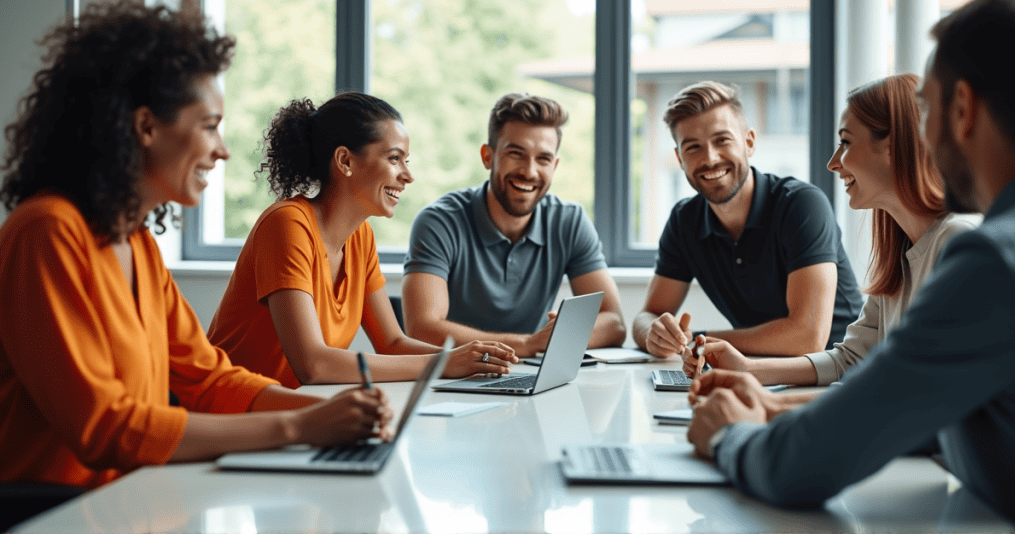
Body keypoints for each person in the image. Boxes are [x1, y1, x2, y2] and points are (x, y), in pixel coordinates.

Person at [0, 0, 391, 491]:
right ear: (146, 127)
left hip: (133, 499)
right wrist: (299, 426)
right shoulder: (47, 231)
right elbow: (104, 428)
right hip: (54, 511)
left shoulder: (136, 240)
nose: (223, 150)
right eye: (209, 126)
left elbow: (208, 379)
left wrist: (331, 411)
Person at [687, 0, 1015, 528]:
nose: (926, 136)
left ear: (962, 109)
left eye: (928, 112)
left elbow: (802, 469)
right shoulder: (954, 249)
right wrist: (767, 400)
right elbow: (903, 404)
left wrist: (729, 434)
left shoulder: (989, 259)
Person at [682, 74, 980, 395]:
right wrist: (748, 369)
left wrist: (773, 411)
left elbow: (925, 393)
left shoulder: (957, 244)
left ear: (894, 147)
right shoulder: (901, 252)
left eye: (846, 142)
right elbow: (851, 359)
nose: (833, 163)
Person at [208, 92, 517, 387]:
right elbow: (313, 365)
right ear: (345, 161)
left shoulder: (360, 237)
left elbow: (392, 343)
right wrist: (443, 364)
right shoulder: (287, 224)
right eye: (395, 158)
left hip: (292, 413)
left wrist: (472, 358)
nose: (408, 175)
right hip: (227, 416)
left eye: (407, 160)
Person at [632, 81, 863, 360]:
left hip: (839, 373)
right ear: (679, 159)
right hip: (757, 372)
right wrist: (654, 334)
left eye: (722, 140)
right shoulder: (684, 221)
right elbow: (647, 316)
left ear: (749, 142)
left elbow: (807, 337)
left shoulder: (802, 204)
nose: (710, 158)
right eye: (693, 147)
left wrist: (696, 340)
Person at [402, 93, 626, 357]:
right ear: (488, 156)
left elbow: (614, 322)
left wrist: (558, 334)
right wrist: (528, 344)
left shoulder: (570, 222)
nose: (529, 171)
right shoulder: (439, 222)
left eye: (543, 159)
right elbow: (422, 327)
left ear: (554, 166)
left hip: (529, 379)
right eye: (516, 153)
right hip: (453, 381)